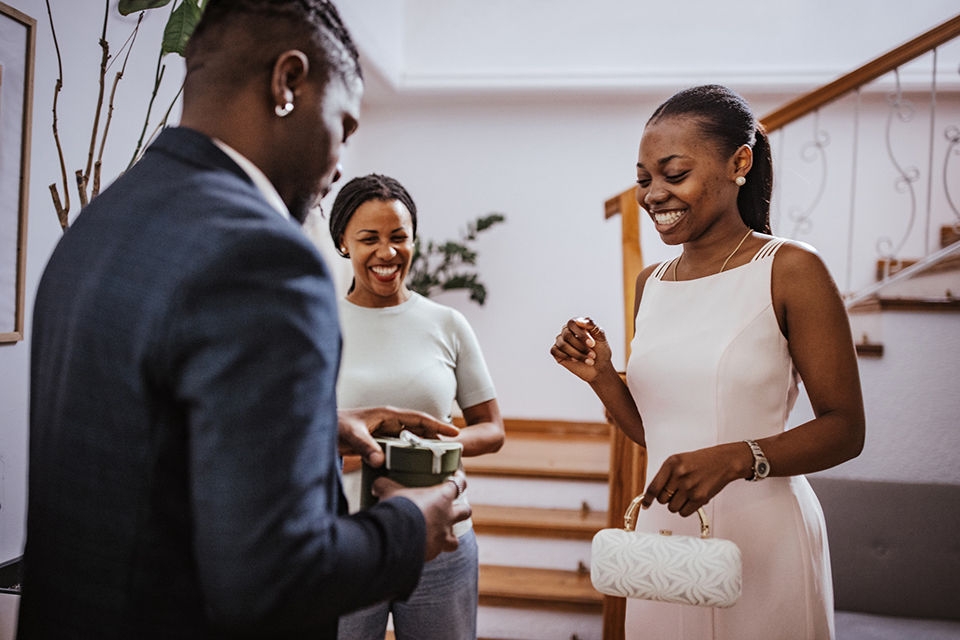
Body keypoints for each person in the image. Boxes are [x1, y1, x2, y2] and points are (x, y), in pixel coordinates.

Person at [18, 2, 470, 638]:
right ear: (288, 83)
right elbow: (272, 579)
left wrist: (313, 429)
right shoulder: (266, 257)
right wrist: (406, 529)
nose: (340, 162)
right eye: (343, 125)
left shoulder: (100, 222)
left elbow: (150, 436)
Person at [551, 85, 865, 639]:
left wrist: (738, 457)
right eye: (644, 179)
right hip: (665, 539)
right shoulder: (652, 283)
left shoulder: (791, 268)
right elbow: (659, 435)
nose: (653, 195)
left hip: (763, 537)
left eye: (674, 174)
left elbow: (845, 429)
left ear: (739, 162)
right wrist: (602, 376)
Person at [327, 174, 505, 640]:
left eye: (399, 237)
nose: (387, 253)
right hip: (349, 541)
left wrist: (430, 447)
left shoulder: (446, 323)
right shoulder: (320, 325)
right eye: (369, 238)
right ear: (343, 242)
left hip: (443, 541)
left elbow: (492, 429)